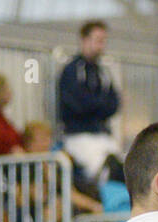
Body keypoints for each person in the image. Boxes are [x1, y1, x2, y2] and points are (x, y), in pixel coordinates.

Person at [57, 20, 122, 182]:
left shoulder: (103, 72)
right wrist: (99, 105)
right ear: (84, 40)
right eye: (98, 40)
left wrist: (94, 104)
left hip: (102, 135)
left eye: (104, 41)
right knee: (104, 171)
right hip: (79, 136)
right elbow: (75, 104)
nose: (102, 45)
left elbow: (114, 104)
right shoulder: (72, 70)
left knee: (123, 168)